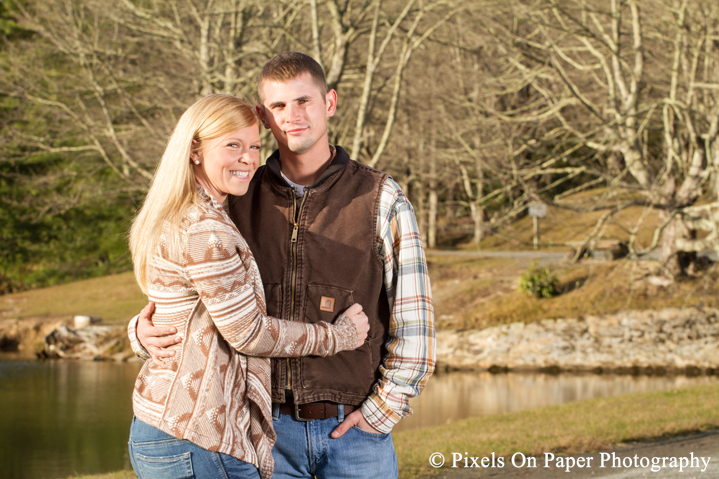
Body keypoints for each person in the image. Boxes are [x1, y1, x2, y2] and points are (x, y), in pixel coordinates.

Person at [130, 52, 435, 479]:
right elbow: (189, 292)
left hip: (353, 432)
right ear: (263, 115)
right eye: (277, 106)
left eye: (303, 101)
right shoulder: (234, 194)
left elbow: (415, 321)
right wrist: (140, 332)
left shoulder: (380, 198)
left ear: (329, 102)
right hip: (259, 430)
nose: (292, 116)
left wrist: (380, 414)